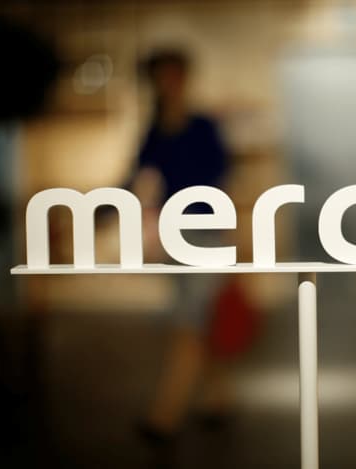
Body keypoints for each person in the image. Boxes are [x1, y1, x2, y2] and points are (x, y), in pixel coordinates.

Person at [131, 49, 231, 440]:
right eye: (163, 76)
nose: (169, 83)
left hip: (206, 233)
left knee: (189, 320)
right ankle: (218, 396)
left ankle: (165, 414)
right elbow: (135, 175)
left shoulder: (203, 126)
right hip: (175, 235)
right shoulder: (156, 129)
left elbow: (221, 177)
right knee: (197, 318)